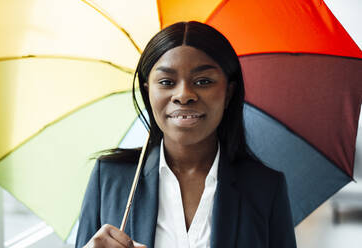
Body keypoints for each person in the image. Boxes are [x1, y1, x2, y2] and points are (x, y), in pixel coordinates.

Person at [75, 21, 297, 248]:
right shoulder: (110, 178)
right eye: (166, 82)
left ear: (228, 92)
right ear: (147, 91)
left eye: (203, 81)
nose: (183, 95)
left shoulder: (265, 187)